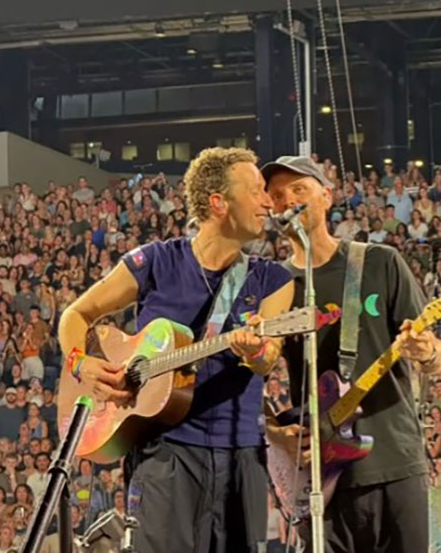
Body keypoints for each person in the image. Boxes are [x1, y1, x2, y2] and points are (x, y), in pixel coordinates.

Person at [58, 148, 294, 553]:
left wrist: (253, 351)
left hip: (241, 456)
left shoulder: (272, 279)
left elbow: (269, 358)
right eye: (256, 191)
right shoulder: (156, 261)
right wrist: (81, 363)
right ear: (218, 202)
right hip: (164, 453)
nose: (268, 202)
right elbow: (76, 315)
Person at [263, 155, 441, 553]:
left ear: (326, 196)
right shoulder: (274, 286)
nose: (288, 200)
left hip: (393, 462)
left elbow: (435, 357)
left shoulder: (378, 262)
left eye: (299, 190)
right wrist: (275, 435)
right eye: (277, 196)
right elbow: (246, 382)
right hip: (321, 474)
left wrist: (425, 348)